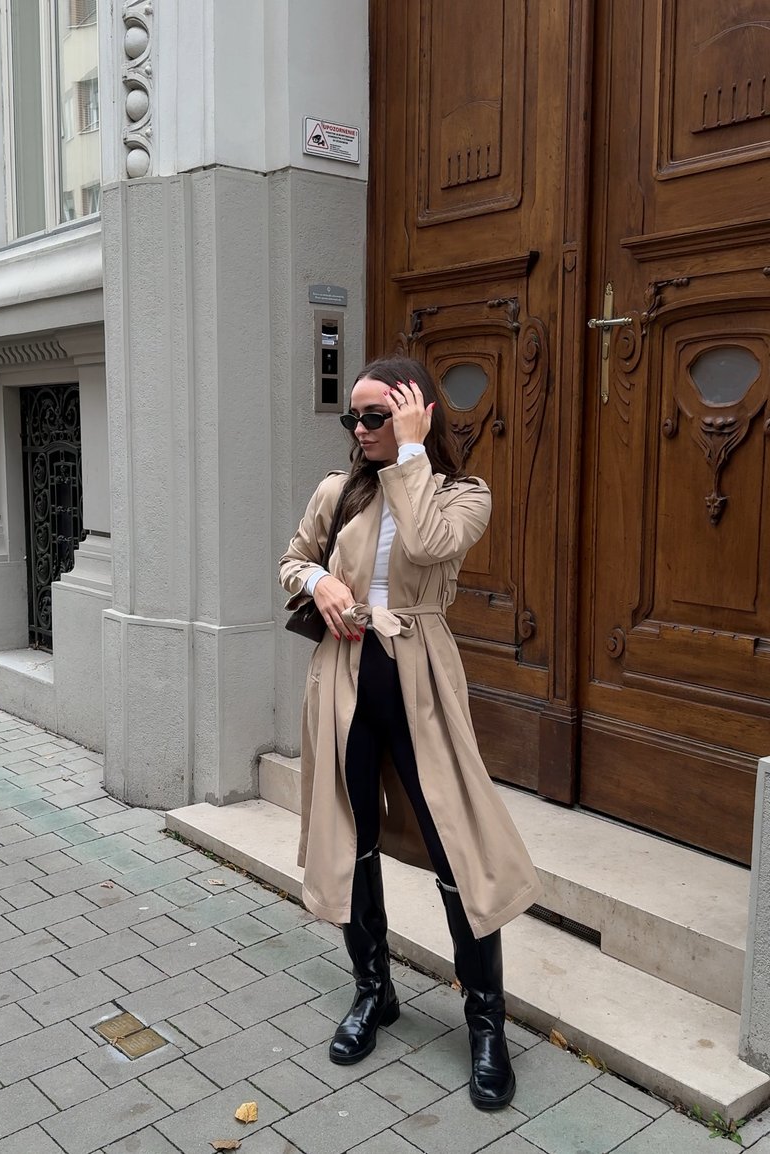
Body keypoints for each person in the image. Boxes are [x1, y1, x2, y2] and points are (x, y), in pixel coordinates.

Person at [279, 355, 541, 1111]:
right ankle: (373, 992)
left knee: (456, 846)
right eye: (353, 418)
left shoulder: (463, 492)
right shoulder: (337, 491)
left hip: (420, 678)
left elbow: (426, 545)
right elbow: (291, 560)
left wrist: (416, 454)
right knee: (352, 838)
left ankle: (485, 1023)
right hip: (346, 676)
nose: (360, 430)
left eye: (376, 416)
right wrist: (319, 580)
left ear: (417, 412)